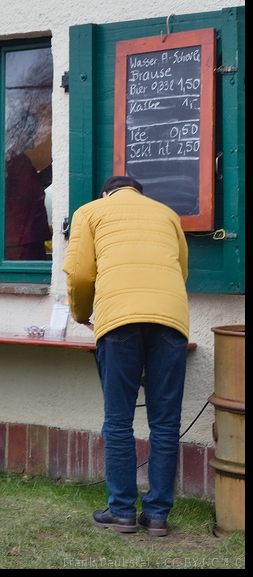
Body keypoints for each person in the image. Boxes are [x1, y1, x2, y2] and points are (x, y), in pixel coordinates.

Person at [62, 175, 189, 537]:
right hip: (170, 319)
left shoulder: (90, 211)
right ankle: (158, 516)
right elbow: (180, 270)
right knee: (165, 422)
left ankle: (121, 513)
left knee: (118, 420)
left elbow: (80, 273)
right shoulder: (166, 214)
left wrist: (81, 313)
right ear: (139, 194)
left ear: (107, 192)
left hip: (119, 320)